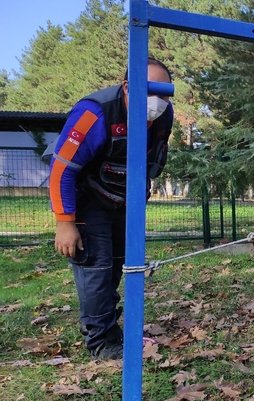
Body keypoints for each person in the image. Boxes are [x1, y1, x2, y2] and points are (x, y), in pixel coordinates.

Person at [48, 57, 174, 360]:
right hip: (88, 201)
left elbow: (151, 159)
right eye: (149, 92)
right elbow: (61, 169)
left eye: (164, 94)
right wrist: (65, 223)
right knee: (97, 268)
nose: (157, 102)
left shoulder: (164, 116)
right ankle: (101, 344)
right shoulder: (95, 112)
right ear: (128, 87)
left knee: (119, 266)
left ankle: (112, 331)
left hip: (125, 202)